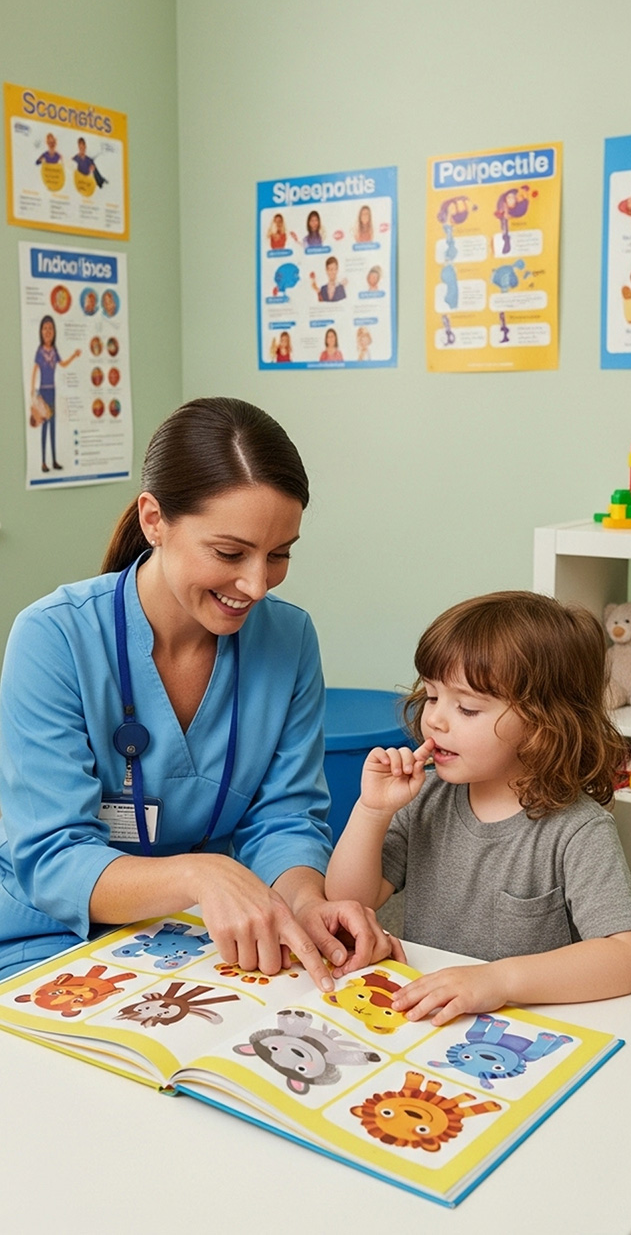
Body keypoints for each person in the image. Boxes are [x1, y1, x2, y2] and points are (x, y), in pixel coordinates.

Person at [0, 397, 399, 982]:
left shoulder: (288, 638)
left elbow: (284, 819)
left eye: (280, 554)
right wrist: (199, 873)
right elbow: (53, 859)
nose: (257, 584)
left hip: (200, 936)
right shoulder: (53, 636)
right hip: (50, 935)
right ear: (153, 520)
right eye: (230, 553)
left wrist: (307, 904)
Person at [326, 591, 631, 1026]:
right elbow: (348, 901)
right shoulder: (428, 798)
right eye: (433, 695)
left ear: (542, 726)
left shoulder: (577, 829)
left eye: (467, 707)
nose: (435, 720)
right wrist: (371, 810)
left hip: (527, 1028)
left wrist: (498, 980)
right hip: (432, 1017)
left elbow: (627, 958)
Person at [29, 314, 81, 473]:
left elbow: (63, 364)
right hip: (43, 391)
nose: (48, 331)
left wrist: (74, 356)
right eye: (45, 328)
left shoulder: (54, 350)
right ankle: (43, 462)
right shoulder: (40, 351)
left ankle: (54, 460)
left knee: (53, 427)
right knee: (44, 427)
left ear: (54, 331)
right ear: (41, 331)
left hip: (53, 390)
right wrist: (32, 390)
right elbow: (35, 370)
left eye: (50, 328)